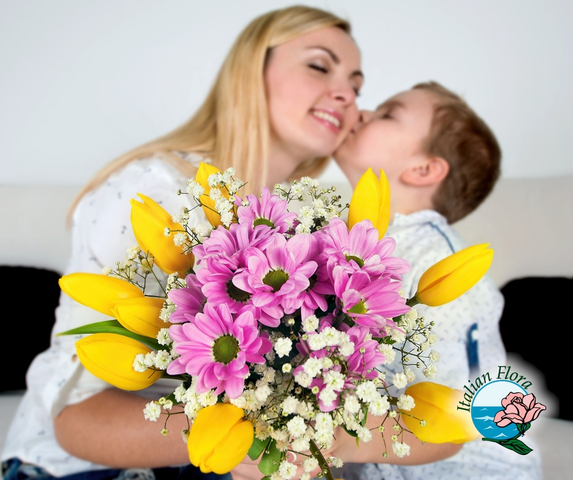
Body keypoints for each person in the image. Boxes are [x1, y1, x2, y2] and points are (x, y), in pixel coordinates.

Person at [0, 5, 364, 480]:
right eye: (319, 66)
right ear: (249, 72)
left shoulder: (311, 224)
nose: (346, 95)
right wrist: (259, 433)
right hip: (77, 468)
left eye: (358, 88)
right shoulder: (154, 192)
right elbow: (76, 420)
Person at [331, 81, 544, 479]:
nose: (361, 112)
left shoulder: (440, 265)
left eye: (387, 113)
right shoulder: (348, 236)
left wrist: (345, 439)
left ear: (424, 169)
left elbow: (459, 416)